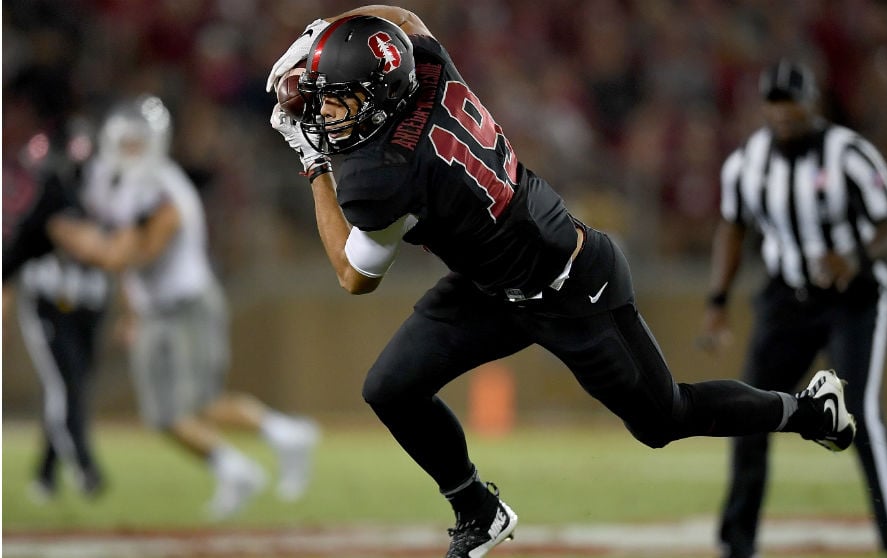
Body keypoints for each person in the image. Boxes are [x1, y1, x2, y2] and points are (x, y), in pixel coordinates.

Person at [266, 7, 855, 557]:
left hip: (571, 286)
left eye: (342, 101)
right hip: (490, 283)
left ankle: (808, 411)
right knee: (390, 388)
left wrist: (312, 163)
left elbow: (353, 275)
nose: (325, 115)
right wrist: (330, 31)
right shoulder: (426, 69)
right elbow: (400, 18)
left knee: (663, 419)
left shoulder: (381, 176)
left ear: (382, 96)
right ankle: (478, 510)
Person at [48, 95, 320, 520]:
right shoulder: (113, 179)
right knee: (160, 416)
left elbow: (129, 254)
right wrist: (131, 308)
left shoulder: (167, 191)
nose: (129, 151)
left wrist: (62, 231)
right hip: (153, 309)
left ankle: (285, 434)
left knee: (200, 404)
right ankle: (236, 468)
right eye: (124, 142)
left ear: (155, 143)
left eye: (137, 142)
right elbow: (120, 250)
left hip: (188, 305)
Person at [699, 60, 887, 558]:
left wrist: (855, 256)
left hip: (855, 298)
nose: (784, 116)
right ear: (765, 108)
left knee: (861, 414)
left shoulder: (849, 154)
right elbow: (732, 228)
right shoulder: (747, 162)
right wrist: (717, 301)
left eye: (793, 105)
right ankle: (737, 547)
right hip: (787, 300)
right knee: (749, 414)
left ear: (813, 104)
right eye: (775, 106)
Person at [3, 82, 110, 501]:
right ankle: (84, 469)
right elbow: (16, 253)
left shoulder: (104, 189)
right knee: (67, 387)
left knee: (73, 388)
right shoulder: (48, 200)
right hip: (51, 298)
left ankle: (45, 474)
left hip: (89, 298)